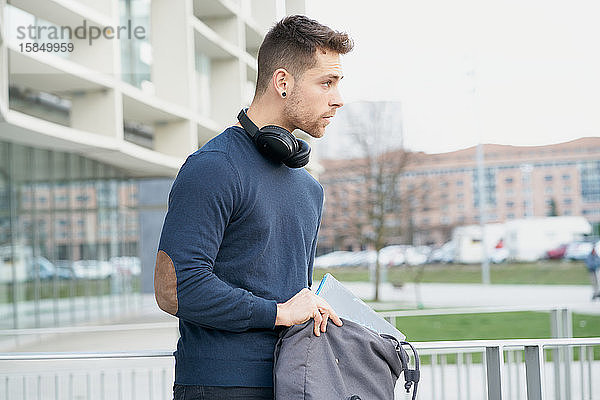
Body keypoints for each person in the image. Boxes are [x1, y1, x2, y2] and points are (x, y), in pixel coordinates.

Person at [154, 15, 353, 400]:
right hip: (220, 386)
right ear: (283, 82)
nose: (338, 98)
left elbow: (285, 291)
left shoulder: (309, 188)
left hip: (294, 381)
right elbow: (175, 289)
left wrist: (309, 306)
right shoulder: (213, 168)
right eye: (326, 83)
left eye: (338, 84)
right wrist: (279, 312)